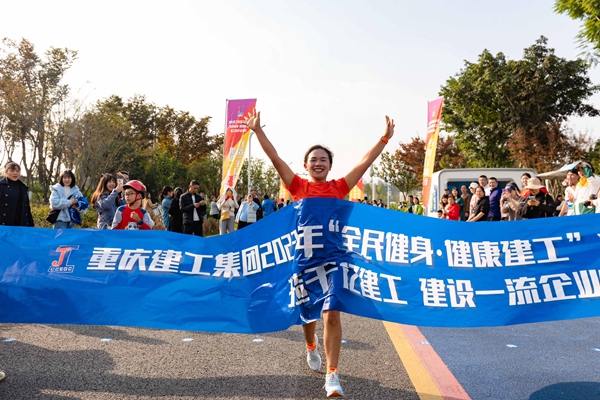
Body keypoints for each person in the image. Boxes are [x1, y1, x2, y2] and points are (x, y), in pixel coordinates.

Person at [245, 108, 395, 398]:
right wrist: (258, 130)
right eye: (313, 160)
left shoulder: (339, 187)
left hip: (335, 259)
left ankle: (332, 374)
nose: (318, 163)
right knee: (308, 314)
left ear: (330, 165)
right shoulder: (298, 186)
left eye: (323, 159)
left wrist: (384, 139)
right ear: (306, 165)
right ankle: (310, 345)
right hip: (305, 260)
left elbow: (364, 163)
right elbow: (275, 159)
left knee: (332, 312)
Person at [0, 161, 34, 227]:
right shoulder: (1, 186)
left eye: (17, 171)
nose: (15, 173)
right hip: (3, 223)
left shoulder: (23, 187)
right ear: (6, 172)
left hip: (20, 223)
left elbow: (26, 208)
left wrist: (30, 225)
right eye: (12, 171)